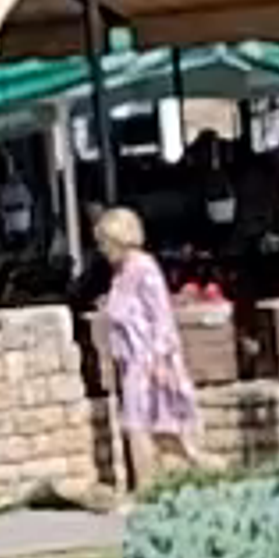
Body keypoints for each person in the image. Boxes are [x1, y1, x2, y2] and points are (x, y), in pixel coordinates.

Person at [92, 205, 205, 491]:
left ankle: (162, 483)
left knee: (150, 428)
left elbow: (162, 317)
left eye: (104, 241)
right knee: (138, 426)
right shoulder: (121, 273)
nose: (102, 249)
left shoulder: (144, 268)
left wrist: (158, 360)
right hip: (130, 362)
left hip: (150, 361)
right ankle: (151, 486)